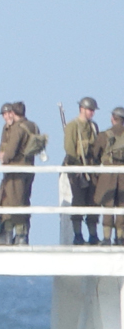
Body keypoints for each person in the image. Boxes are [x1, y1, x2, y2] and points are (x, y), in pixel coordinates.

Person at [0, 102, 45, 245]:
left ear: (13, 113)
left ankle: (17, 235)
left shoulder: (17, 128)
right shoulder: (33, 126)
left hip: (16, 171)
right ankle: (18, 235)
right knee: (22, 200)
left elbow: (10, 151)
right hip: (29, 168)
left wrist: (4, 157)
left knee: (13, 202)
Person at [64, 97, 102, 244]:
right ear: (82, 109)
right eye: (89, 110)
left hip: (92, 168)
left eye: (93, 111)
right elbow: (69, 148)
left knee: (93, 201)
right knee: (78, 201)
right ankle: (78, 235)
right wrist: (77, 167)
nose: (92, 113)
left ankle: (93, 235)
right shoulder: (73, 126)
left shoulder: (93, 127)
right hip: (77, 168)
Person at [99, 107, 124, 246]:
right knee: (122, 205)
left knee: (108, 204)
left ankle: (107, 237)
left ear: (112, 118)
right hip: (123, 175)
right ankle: (120, 237)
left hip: (108, 174)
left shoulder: (104, 135)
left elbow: (96, 154)